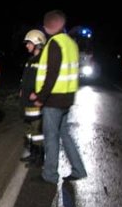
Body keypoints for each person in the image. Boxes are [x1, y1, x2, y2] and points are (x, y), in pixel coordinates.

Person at [30, 10, 87, 184]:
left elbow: (52, 74)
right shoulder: (71, 43)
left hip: (53, 100)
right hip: (67, 98)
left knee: (51, 137)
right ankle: (79, 170)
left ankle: (50, 175)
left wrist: (40, 97)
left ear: (47, 27)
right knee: (65, 135)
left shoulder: (54, 44)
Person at [19, 29, 47, 167]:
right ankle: (33, 153)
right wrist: (22, 90)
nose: (26, 46)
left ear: (37, 43)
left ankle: (39, 158)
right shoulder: (30, 61)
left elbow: (47, 80)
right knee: (29, 130)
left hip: (35, 103)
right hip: (27, 102)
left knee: (37, 131)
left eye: (29, 43)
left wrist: (38, 93)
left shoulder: (43, 60)